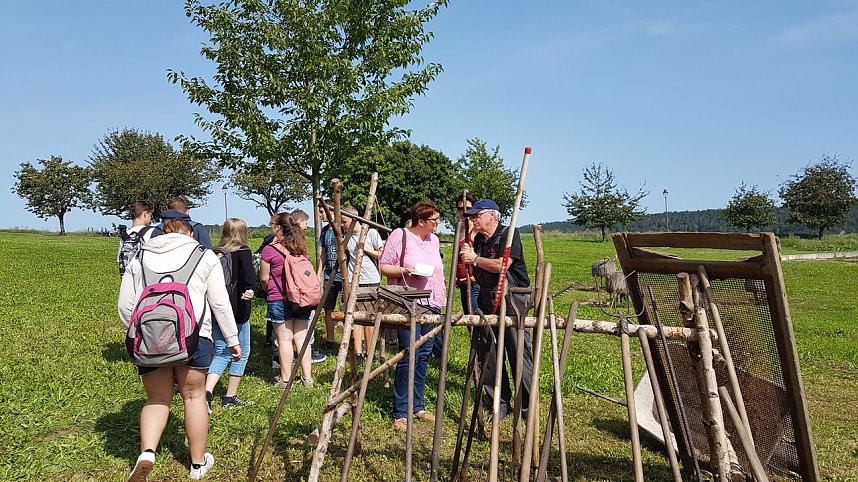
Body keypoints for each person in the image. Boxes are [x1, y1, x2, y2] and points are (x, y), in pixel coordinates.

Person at [119, 219, 241, 481]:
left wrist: (142, 335)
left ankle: (147, 453)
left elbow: (125, 306)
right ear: (190, 233)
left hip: (150, 341)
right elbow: (220, 303)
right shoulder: (203, 255)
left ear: (162, 233)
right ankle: (197, 465)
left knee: (157, 399)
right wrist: (233, 339)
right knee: (194, 397)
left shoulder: (140, 256)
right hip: (196, 338)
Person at [460, 199, 532, 421]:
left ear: (491, 215)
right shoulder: (479, 241)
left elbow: (502, 265)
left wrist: (475, 259)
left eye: (476, 215)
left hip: (512, 299)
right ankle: (499, 403)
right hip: (486, 298)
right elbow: (477, 270)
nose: (473, 219)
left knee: (517, 352)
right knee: (489, 354)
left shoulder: (509, 235)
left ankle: (526, 408)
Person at [379, 200, 446, 432]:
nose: (438, 223)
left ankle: (417, 405)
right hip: (409, 303)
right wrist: (406, 270)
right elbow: (384, 266)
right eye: (434, 220)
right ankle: (400, 410)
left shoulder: (434, 240)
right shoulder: (400, 236)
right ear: (421, 221)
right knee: (409, 355)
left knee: (424, 356)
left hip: (433, 303)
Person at [204, 218, 256, 411]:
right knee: (240, 352)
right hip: (237, 309)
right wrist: (251, 290)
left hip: (214, 308)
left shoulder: (212, 252)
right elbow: (250, 280)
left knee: (221, 350)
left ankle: (207, 391)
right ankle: (229, 397)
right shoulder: (243, 251)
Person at [260, 213, 314, 387]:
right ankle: (308, 378)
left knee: (284, 339)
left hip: (278, 297)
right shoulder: (300, 247)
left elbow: (263, 278)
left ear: (277, 227)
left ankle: (285, 379)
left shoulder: (269, 250)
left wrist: (269, 290)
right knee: (301, 337)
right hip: (301, 298)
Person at [341, 206, 384, 366]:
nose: (343, 225)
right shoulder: (346, 237)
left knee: (370, 318)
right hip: (355, 282)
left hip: (372, 280)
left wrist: (364, 248)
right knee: (357, 318)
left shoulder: (371, 233)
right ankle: (358, 352)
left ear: (353, 220)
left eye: (344, 221)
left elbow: (382, 254)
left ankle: (370, 351)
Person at [290, 209, 326, 364]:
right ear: (299, 222)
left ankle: (282, 355)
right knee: (305, 322)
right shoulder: (296, 241)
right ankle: (307, 351)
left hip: (291, 290)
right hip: (301, 289)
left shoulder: (279, 242)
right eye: (305, 222)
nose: (306, 226)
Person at [316, 200, 343, 353]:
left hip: (344, 276)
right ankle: (330, 340)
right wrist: (318, 273)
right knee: (328, 309)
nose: (320, 215)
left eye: (322, 212)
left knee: (347, 309)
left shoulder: (343, 229)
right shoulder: (325, 231)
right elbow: (324, 254)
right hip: (329, 276)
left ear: (332, 211)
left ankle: (350, 339)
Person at [454, 193, 479, 314]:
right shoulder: (459, 230)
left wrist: (475, 278)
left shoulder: (477, 230)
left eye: (468, 208)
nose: (463, 211)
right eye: (460, 208)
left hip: (475, 284)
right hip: (463, 283)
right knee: (469, 320)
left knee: (476, 320)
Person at [117, 201, 154, 276]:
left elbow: (120, 261)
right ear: (145, 214)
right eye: (150, 215)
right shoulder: (151, 232)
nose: (151, 219)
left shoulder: (125, 236)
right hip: (145, 279)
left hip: (127, 279)